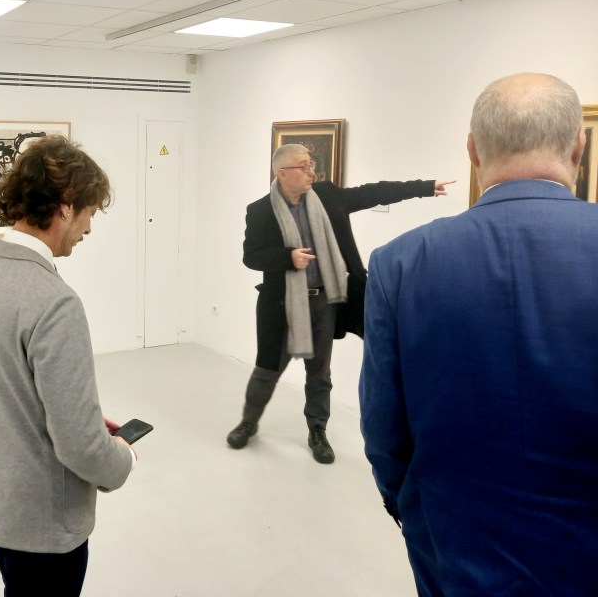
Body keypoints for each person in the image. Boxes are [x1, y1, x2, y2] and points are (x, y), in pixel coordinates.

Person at [360, 73, 598, 596]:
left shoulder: (399, 262)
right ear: (579, 147)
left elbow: (383, 427)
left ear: (472, 150)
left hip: (454, 542)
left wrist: (412, 509)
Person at [0, 135, 136, 597]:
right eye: (90, 213)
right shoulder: (55, 302)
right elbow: (81, 448)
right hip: (44, 522)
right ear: (66, 204)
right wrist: (123, 457)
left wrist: (81, 416)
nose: (88, 228)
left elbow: (5, 389)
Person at [226, 143, 451, 462]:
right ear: (282, 173)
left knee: (320, 373)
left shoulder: (328, 197)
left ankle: (317, 430)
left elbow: (373, 193)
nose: (311, 171)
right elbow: (251, 256)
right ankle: (248, 422)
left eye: (311, 164)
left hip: (324, 302)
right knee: (267, 370)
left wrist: (424, 187)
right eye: (303, 166)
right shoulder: (260, 210)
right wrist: (287, 258)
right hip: (282, 306)